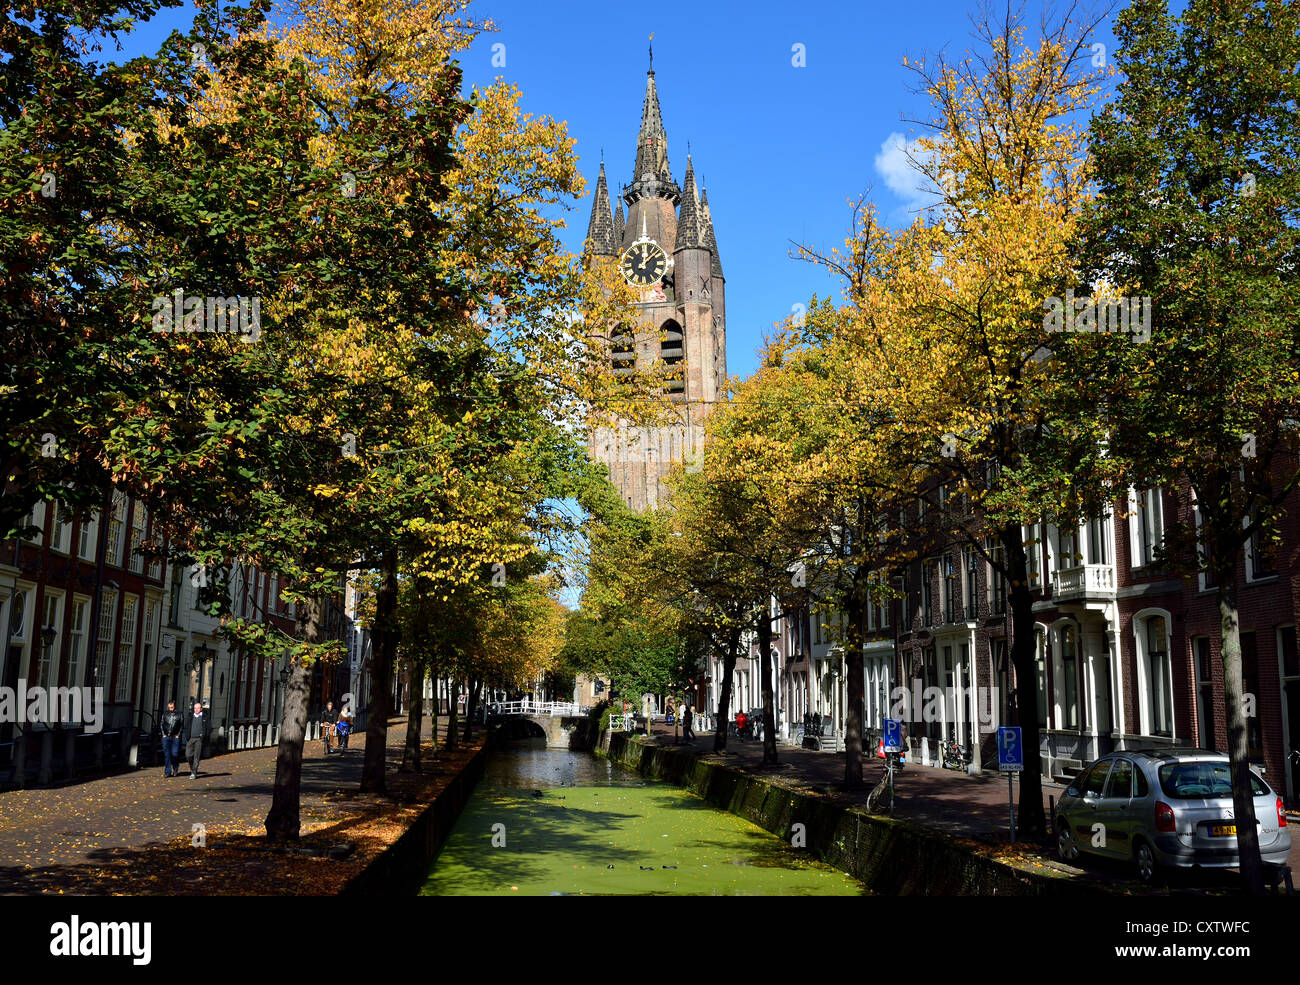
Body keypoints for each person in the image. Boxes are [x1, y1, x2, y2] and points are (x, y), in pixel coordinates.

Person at [181, 701, 208, 779]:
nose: (196, 710)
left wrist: (202, 737)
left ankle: (194, 772)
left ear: (201, 709)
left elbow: (208, 728)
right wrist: (187, 736)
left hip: (199, 739)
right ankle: (192, 768)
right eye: (195, 708)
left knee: (196, 756)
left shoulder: (204, 717)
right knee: (188, 755)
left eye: (198, 708)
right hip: (191, 738)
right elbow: (186, 727)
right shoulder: (190, 717)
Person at [160, 699, 183, 778]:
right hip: (166, 737)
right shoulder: (165, 714)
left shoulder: (179, 714)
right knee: (167, 755)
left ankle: (175, 768)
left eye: (172, 707)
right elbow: (161, 724)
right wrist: (163, 734)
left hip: (175, 737)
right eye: (169, 707)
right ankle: (167, 772)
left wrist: (178, 735)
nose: (171, 709)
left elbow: (181, 726)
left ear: (174, 706)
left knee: (175, 754)